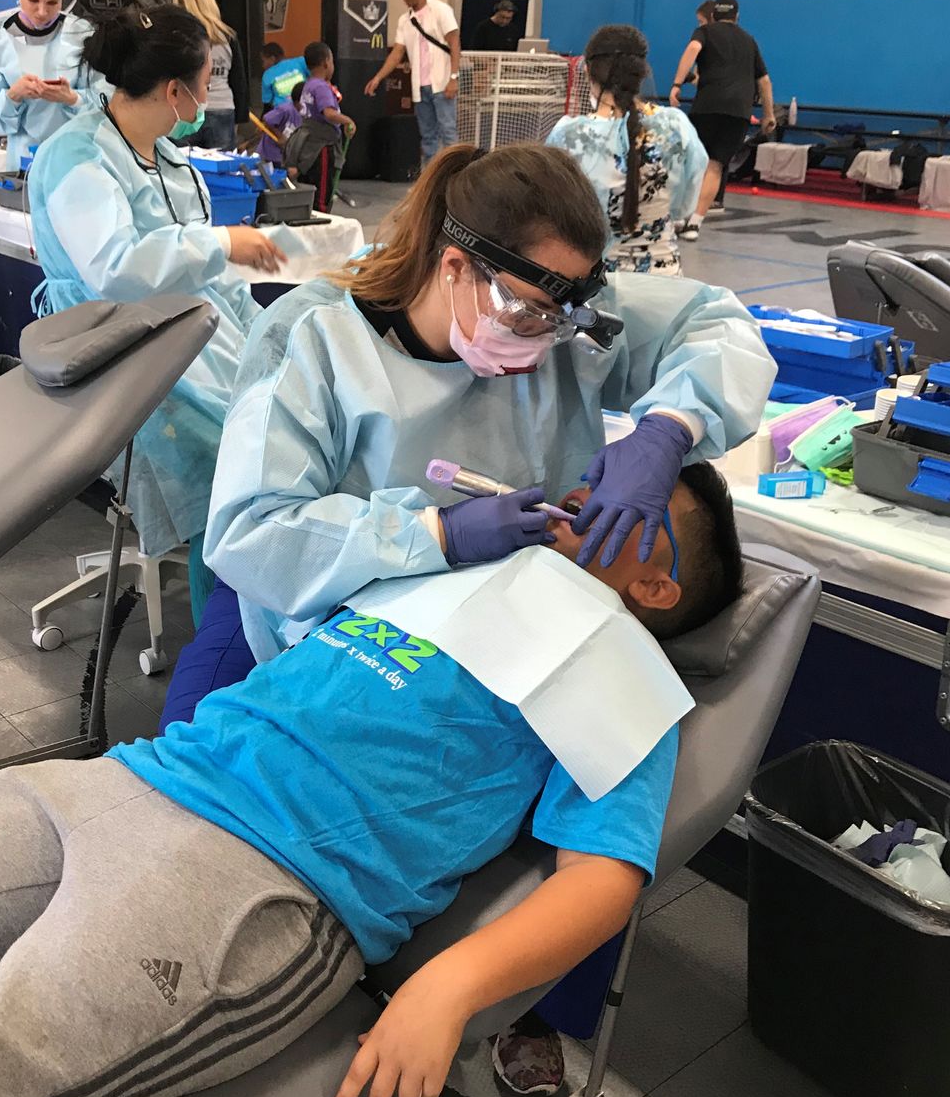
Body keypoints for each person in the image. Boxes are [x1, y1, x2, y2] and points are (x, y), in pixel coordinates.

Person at [0, 462, 743, 1097]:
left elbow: (603, 881)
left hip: (252, 886)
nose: (583, 501)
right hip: (122, 782)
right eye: (592, 482)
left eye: (627, 511)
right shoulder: (452, 568)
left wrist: (449, 987)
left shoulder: (623, 672)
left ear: (657, 589)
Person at [195, 141, 773, 688]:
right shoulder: (317, 339)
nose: (546, 342)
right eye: (527, 313)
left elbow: (719, 327)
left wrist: (670, 429)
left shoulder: (562, 314)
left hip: (478, 640)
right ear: (454, 267)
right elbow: (255, 536)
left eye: (563, 320)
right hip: (329, 623)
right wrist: (436, 533)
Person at [26, 5, 286, 615]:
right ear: (176, 91)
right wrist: (223, 242)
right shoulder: (78, 157)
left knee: (276, 427)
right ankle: (222, 640)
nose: (206, 96)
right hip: (114, 352)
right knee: (228, 476)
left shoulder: (164, 155)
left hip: (180, 340)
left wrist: (266, 335)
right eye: (203, 84)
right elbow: (117, 268)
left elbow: (203, 277)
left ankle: (266, 612)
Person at [547, 25, 708, 276]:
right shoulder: (676, 126)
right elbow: (684, 206)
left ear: (588, 70)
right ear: (641, 73)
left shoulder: (568, 136)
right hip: (665, 280)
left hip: (593, 286)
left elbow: (553, 214)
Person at [0, 0, 106, 171]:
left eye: (52, 2)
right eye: (33, 0)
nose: (42, 12)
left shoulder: (82, 35)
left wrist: (72, 99)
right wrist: (12, 96)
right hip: (25, 165)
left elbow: (108, 101)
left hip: (78, 161)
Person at [669, 0, 775, 241]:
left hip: (706, 107)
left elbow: (693, 49)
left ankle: (676, 218)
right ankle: (695, 224)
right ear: (737, 17)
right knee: (715, 165)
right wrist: (768, 114)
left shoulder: (705, 33)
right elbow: (765, 81)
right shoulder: (750, 41)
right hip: (738, 112)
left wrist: (676, 84)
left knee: (692, 162)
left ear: (713, 16)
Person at [364, 0, 460, 163]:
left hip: (441, 82)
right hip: (420, 87)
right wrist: (378, 77)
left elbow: (454, 43)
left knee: (448, 132)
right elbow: (397, 53)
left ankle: (456, 175)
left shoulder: (441, 10)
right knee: (427, 136)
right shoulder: (404, 20)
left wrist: (453, 77)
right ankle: (429, 179)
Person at [172, 0, 248, 150]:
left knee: (183, 171)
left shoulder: (175, 36)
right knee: (221, 171)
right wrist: (239, 117)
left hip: (184, 110)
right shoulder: (227, 35)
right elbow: (239, 81)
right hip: (223, 107)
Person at [288, 41, 356, 211]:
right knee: (322, 193)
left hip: (306, 144)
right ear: (326, 62)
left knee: (308, 188)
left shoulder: (308, 85)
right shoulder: (322, 87)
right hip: (321, 147)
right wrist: (348, 120)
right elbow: (329, 113)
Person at [256, 80, 304, 168]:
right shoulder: (286, 109)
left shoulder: (304, 115)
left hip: (284, 156)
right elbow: (267, 119)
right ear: (299, 101)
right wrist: (280, 136)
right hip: (270, 154)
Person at [260, 41, 308, 109]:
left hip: (283, 111)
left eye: (263, 61)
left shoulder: (267, 75)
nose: (262, 65)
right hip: (304, 106)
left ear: (272, 59)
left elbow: (267, 103)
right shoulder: (300, 61)